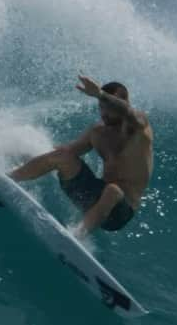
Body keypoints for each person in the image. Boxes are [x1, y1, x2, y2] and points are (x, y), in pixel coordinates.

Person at [8, 75, 153, 238]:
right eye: (101, 107)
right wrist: (26, 149)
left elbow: (128, 112)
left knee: (113, 190)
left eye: (108, 106)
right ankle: (9, 177)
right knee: (63, 156)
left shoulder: (139, 129)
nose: (103, 113)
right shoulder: (98, 133)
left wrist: (100, 94)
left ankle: (77, 235)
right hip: (93, 199)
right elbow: (66, 152)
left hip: (120, 212)